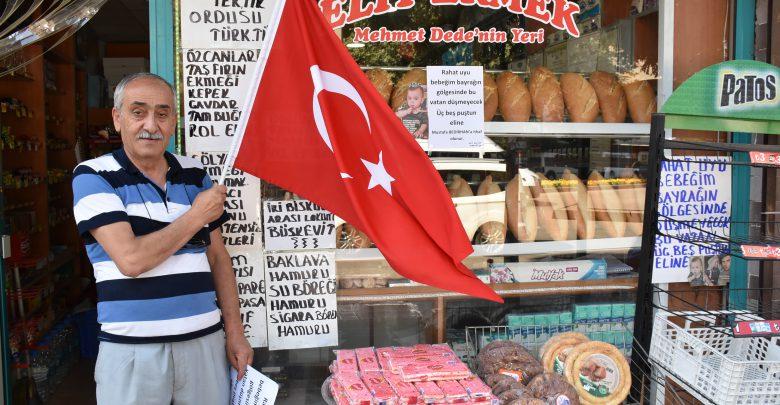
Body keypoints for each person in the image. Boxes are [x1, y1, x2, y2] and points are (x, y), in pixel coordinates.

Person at [72, 73, 253, 405]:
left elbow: (218, 258)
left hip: (205, 345)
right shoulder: (92, 175)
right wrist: (196, 216)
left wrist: (236, 334)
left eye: (163, 113)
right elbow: (131, 261)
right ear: (117, 118)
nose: (151, 125)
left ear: (173, 121)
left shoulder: (195, 174)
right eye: (138, 112)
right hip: (131, 352)